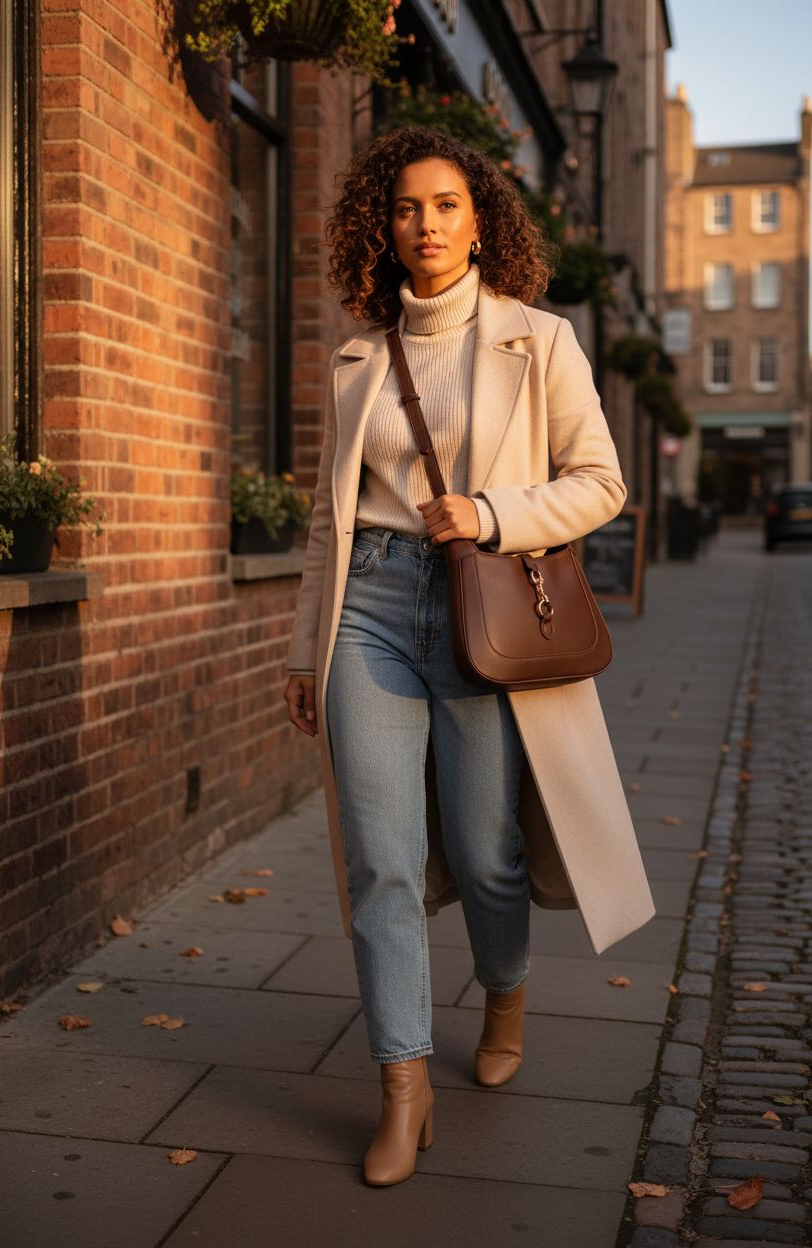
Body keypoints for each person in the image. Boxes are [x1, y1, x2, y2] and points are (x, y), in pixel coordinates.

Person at [283, 125, 655, 1187]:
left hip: (486, 607)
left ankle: (504, 990)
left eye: (445, 204)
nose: (426, 225)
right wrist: (306, 645)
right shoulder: (359, 357)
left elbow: (599, 481)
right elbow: (327, 515)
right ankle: (403, 1087)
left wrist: (492, 513)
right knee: (382, 860)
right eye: (406, 208)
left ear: (479, 218)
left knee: (490, 852)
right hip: (372, 614)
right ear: (382, 227)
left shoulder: (538, 340)